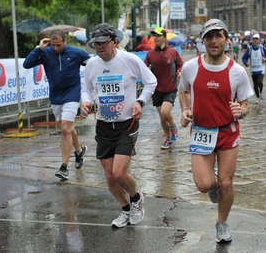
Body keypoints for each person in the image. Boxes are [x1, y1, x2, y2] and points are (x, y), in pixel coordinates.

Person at [178, 19, 254, 243]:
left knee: (227, 182)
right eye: (209, 36)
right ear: (202, 41)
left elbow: (246, 105)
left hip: (227, 132)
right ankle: (214, 187)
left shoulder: (237, 72)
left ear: (226, 40)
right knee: (204, 185)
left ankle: (222, 223)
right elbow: (183, 91)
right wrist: (184, 110)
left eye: (218, 36)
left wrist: (241, 111)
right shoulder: (191, 67)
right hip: (201, 131)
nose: (213, 41)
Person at [81, 23, 157, 228]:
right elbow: (87, 90)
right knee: (109, 177)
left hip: (127, 124)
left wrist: (140, 102)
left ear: (114, 41)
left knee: (119, 173)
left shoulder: (129, 59)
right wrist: (86, 102)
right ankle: (125, 210)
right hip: (104, 126)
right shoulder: (91, 65)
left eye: (102, 43)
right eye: (95, 44)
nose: (98, 48)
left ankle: (136, 197)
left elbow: (151, 82)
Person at [23, 29, 90, 181]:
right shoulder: (45, 53)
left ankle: (64, 167)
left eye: (58, 45)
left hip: (72, 95)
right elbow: (27, 64)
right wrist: (39, 48)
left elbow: (93, 65)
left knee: (65, 128)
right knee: (67, 127)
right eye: (52, 45)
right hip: (55, 96)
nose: (55, 48)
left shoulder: (76, 53)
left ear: (65, 41)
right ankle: (79, 151)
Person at [144, 27, 183, 149]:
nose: (155, 38)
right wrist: (147, 71)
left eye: (158, 36)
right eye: (154, 36)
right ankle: (168, 138)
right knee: (162, 117)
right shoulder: (150, 54)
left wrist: (179, 71)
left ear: (164, 38)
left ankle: (173, 127)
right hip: (157, 89)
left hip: (170, 87)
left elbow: (180, 64)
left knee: (165, 112)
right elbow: (144, 68)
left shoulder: (173, 52)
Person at [242, 33, 266, 104]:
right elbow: (244, 58)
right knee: (255, 85)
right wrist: (246, 63)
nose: (255, 41)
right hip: (253, 70)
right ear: (252, 40)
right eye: (254, 39)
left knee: (259, 82)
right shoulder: (250, 49)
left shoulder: (262, 48)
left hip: (261, 69)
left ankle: (261, 91)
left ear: (259, 40)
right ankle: (257, 97)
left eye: (256, 39)